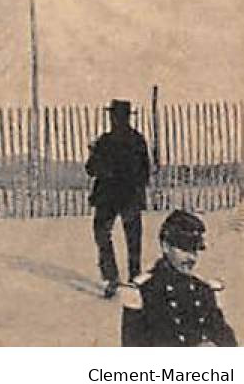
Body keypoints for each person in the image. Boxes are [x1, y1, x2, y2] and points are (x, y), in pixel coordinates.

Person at [121, 209, 235, 347]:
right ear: (166, 247)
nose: (191, 258)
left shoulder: (203, 289)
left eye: (194, 250)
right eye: (184, 250)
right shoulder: (143, 291)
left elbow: (227, 341)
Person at [87, 99, 152, 298]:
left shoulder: (114, 141)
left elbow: (91, 169)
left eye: (116, 115)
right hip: (119, 196)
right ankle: (123, 278)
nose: (115, 119)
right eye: (114, 115)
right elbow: (90, 169)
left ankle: (122, 278)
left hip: (117, 196)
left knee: (116, 236)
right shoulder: (125, 140)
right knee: (118, 236)